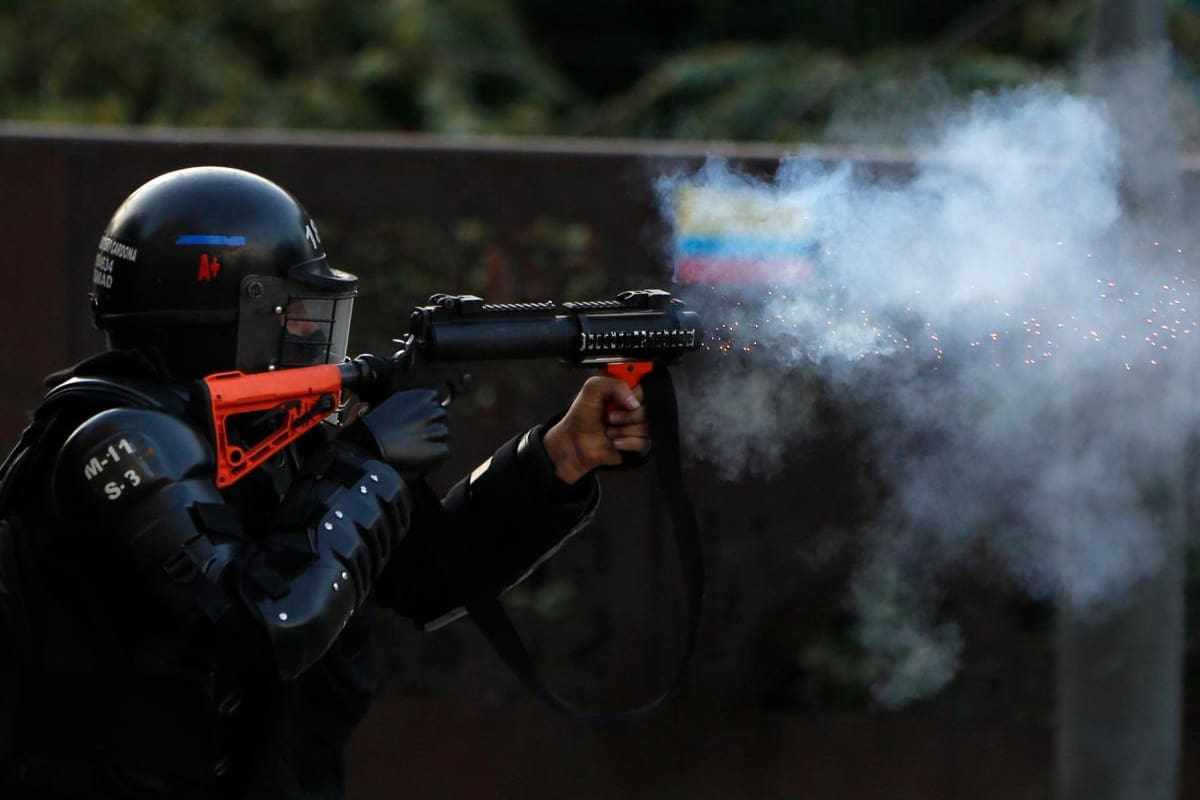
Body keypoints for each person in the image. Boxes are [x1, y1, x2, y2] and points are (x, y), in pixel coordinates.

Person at [0, 166, 651, 799]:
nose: (309, 338)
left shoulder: (261, 431)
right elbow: (264, 628)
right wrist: (369, 463)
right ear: (226, 314)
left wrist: (557, 459)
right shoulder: (118, 441)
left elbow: (424, 580)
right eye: (291, 316)